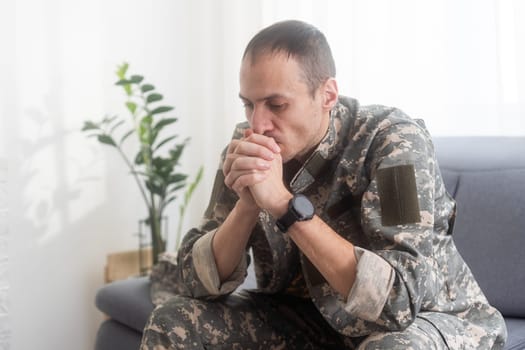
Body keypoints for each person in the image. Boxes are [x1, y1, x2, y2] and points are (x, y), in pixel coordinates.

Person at [140, 20, 507, 349]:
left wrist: (284, 205)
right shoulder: (248, 148)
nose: (258, 124)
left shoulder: (394, 142)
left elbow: (398, 301)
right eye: (249, 105)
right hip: (312, 321)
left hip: (430, 320)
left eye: (276, 105)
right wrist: (249, 205)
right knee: (174, 321)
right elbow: (195, 282)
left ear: (327, 95)